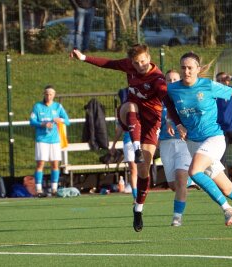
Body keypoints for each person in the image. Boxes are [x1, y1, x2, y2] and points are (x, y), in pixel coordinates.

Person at [166, 52, 232, 238]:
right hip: (193, 143)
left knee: (193, 172)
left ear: (198, 69)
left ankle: (227, 209)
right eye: (183, 67)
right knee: (227, 188)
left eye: (190, 67)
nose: (186, 71)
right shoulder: (173, 89)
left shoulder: (207, 86)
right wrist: (174, 123)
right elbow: (169, 106)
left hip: (214, 139)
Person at [71, 44, 175, 232]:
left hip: (152, 124)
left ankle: (138, 208)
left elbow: (167, 99)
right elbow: (108, 63)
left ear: (149, 58)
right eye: (136, 63)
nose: (140, 65)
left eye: (143, 61)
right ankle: (135, 147)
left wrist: (175, 120)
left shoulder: (158, 79)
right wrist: (84, 57)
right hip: (131, 115)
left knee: (144, 171)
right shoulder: (128, 65)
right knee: (130, 106)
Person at [160, 70, 193, 227]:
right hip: (166, 144)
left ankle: (177, 217)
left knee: (181, 178)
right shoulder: (159, 100)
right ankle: (189, 179)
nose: (171, 82)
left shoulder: (184, 97)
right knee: (174, 186)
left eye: (175, 79)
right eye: (168, 79)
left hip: (183, 143)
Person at [29, 85, 70, 197]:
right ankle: (38, 189)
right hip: (42, 139)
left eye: (51, 94)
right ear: (44, 94)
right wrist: (42, 124)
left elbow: (67, 121)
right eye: (47, 94)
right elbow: (32, 121)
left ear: (54, 95)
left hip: (55, 140)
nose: (48, 96)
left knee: (55, 164)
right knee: (41, 163)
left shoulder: (58, 107)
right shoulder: (38, 106)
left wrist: (59, 120)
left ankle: (54, 189)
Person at [110, 88, 137, 203]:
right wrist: (113, 144)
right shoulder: (121, 110)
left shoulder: (139, 106)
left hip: (141, 140)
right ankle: (136, 196)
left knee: (143, 169)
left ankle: (142, 193)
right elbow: (120, 128)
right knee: (133, 168)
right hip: (128, 141)